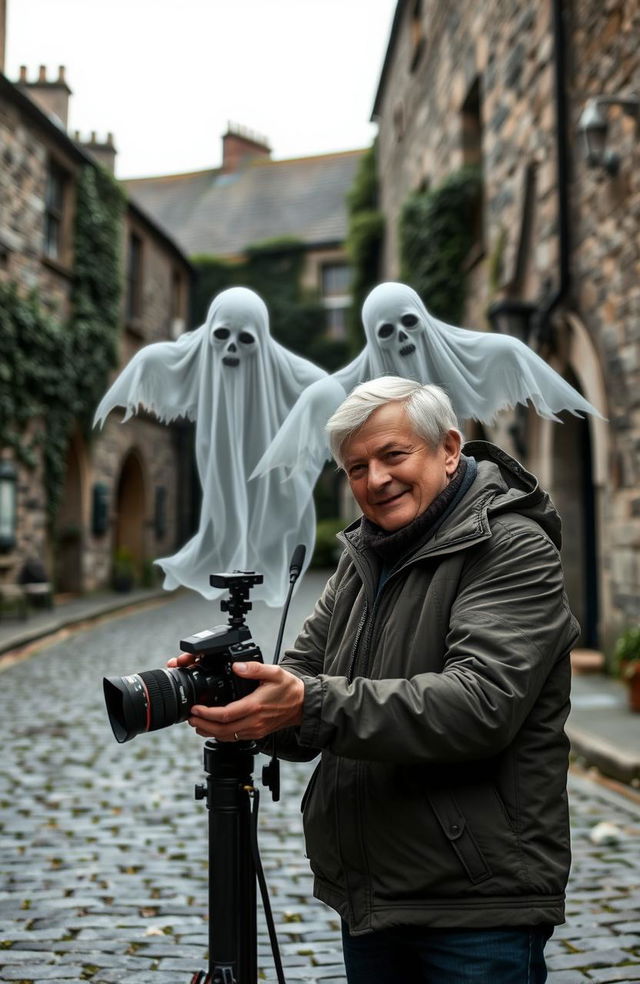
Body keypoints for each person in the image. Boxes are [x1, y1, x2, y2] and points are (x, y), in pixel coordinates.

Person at [170, 375, 579, 983]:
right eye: (356, 468)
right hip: (371, 896)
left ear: (447, 448)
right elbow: (304, 680)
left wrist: (304, 702)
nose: (375, 480)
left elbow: (479, 705)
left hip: (474, 905)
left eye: (393, 455)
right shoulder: (366, 557)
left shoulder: (511, 545)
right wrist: (240, 693)